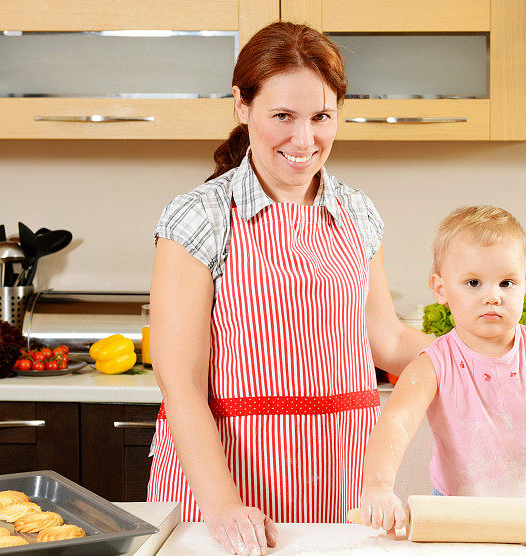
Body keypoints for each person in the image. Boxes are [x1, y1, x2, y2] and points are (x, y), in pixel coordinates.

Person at [146, 22, 431, 556]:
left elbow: (386, 341)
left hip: (340, 487)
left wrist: (496, 352)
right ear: (241, 105)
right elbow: (179, 380)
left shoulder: (357, 212)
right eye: (283, 116)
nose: (305, 140)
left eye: (321, 117)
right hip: (224, 493)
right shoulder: (200, 217)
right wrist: (225, 505)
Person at [358, 206, 526, 541]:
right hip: (454, 513)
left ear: (525, 285)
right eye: (473, 282)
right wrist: (377, 488)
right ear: (441, 288)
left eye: (507, 282)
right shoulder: (433, 363)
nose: (493, 296)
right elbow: (395, 423)